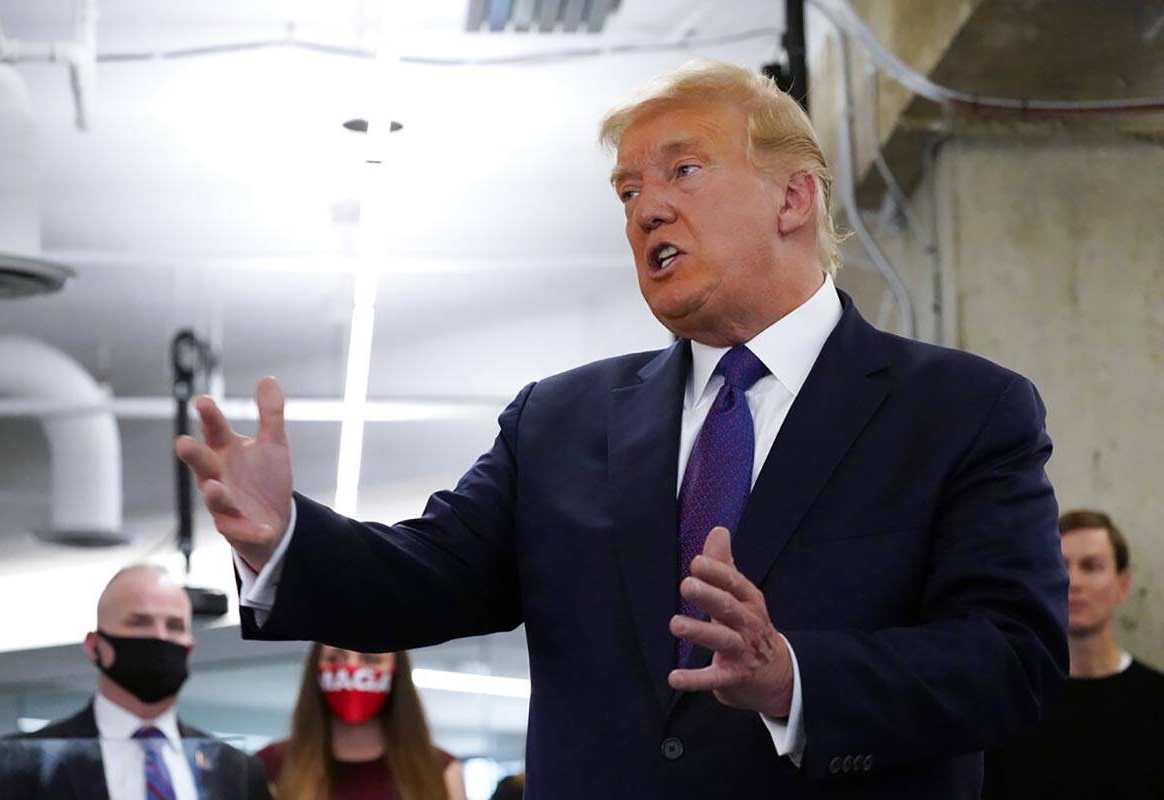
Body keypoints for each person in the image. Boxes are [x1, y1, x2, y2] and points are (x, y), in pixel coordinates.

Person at [176, 60, 1068, 799]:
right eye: (628, 189)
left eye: (682, 171)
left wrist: (795, 675)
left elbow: (1012, 663)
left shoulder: (961, 412)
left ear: (794, 197)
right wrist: (283, 538)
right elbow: (427, 576)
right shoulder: (559, 421)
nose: (645, 210)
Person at [0, 564, 270, 800]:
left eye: (174, 625)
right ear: (95, 646)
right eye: (139, 622)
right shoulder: (19, 763)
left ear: (190, 648)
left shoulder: (236, 770)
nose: (160, 637)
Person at [983, 510, 1164, 798]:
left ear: (1123, 584)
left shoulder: (1157, 700)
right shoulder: (1010, 702)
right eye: (1060, 565)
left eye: (1091, 566)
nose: (1073, 582)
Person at [255, 644, 465, 800]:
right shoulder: (271, 766)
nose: (352, 668)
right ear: (315, 669)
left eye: (370, 659)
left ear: (395, 672)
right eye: (336, 658)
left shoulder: (440, 769)